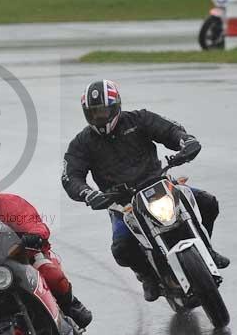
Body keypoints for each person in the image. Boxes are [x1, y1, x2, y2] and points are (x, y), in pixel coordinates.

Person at [61, 79, 229, 302]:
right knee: (121, 247)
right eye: (94, 113)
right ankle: (147, 276)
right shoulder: (81, 143)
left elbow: (170, 130)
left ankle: (207, 248)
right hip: (121, 202)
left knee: (207, 203)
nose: (99, 117)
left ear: (116, 106)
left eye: (103, 111)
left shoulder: (139, 119)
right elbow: (70, 176)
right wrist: (87, 193)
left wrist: (185, 141)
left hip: (160, 184)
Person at [0, 167, 92, 328]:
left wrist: (35, 235)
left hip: (23, 258)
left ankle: (71, 305)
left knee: (51, 275)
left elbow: (33, 223)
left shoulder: (9, 204)